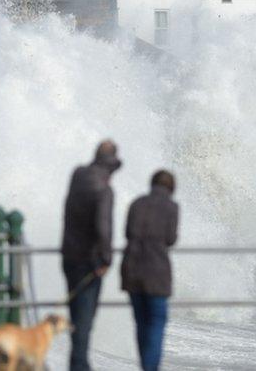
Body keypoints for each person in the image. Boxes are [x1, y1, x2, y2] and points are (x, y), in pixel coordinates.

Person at [61, 140, 121, 371]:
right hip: (90, 261)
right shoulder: (105, 190)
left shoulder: (78, 175)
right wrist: (106, 258)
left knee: (76, 316)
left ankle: (79, 364)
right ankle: (79, 366)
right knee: (84, 320)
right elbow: (103, 226)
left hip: (69, 256)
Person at [121, 170, 179, 371]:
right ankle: (150, 368)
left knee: (141, 322)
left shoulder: (137, 203)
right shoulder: (171, 207)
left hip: (132, 269)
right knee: (156, 322)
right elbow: (171, 239)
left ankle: (145, 366)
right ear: (171, 188)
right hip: (157, 274)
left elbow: (127, 233)